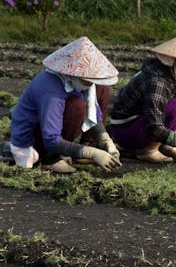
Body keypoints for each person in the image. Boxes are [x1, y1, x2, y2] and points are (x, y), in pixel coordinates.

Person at [6, 36, 121, 173]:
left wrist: (104, 139)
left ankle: (63, 153)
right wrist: (92, 153)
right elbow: (51, 138)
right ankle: (50, 159)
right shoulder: (51, 88)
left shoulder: (78, 84)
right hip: (32, 139)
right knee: (77, 106)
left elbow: (93, 114)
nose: (90, 85)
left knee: (101, 89)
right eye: (87, 81)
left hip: (49, 133)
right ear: (71, 75)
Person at [108, 31, 176, 163]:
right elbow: (154, 126)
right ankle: (148, 150)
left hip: (141, 124)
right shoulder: (158, 81)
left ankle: (164, 145)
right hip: (126, 130)